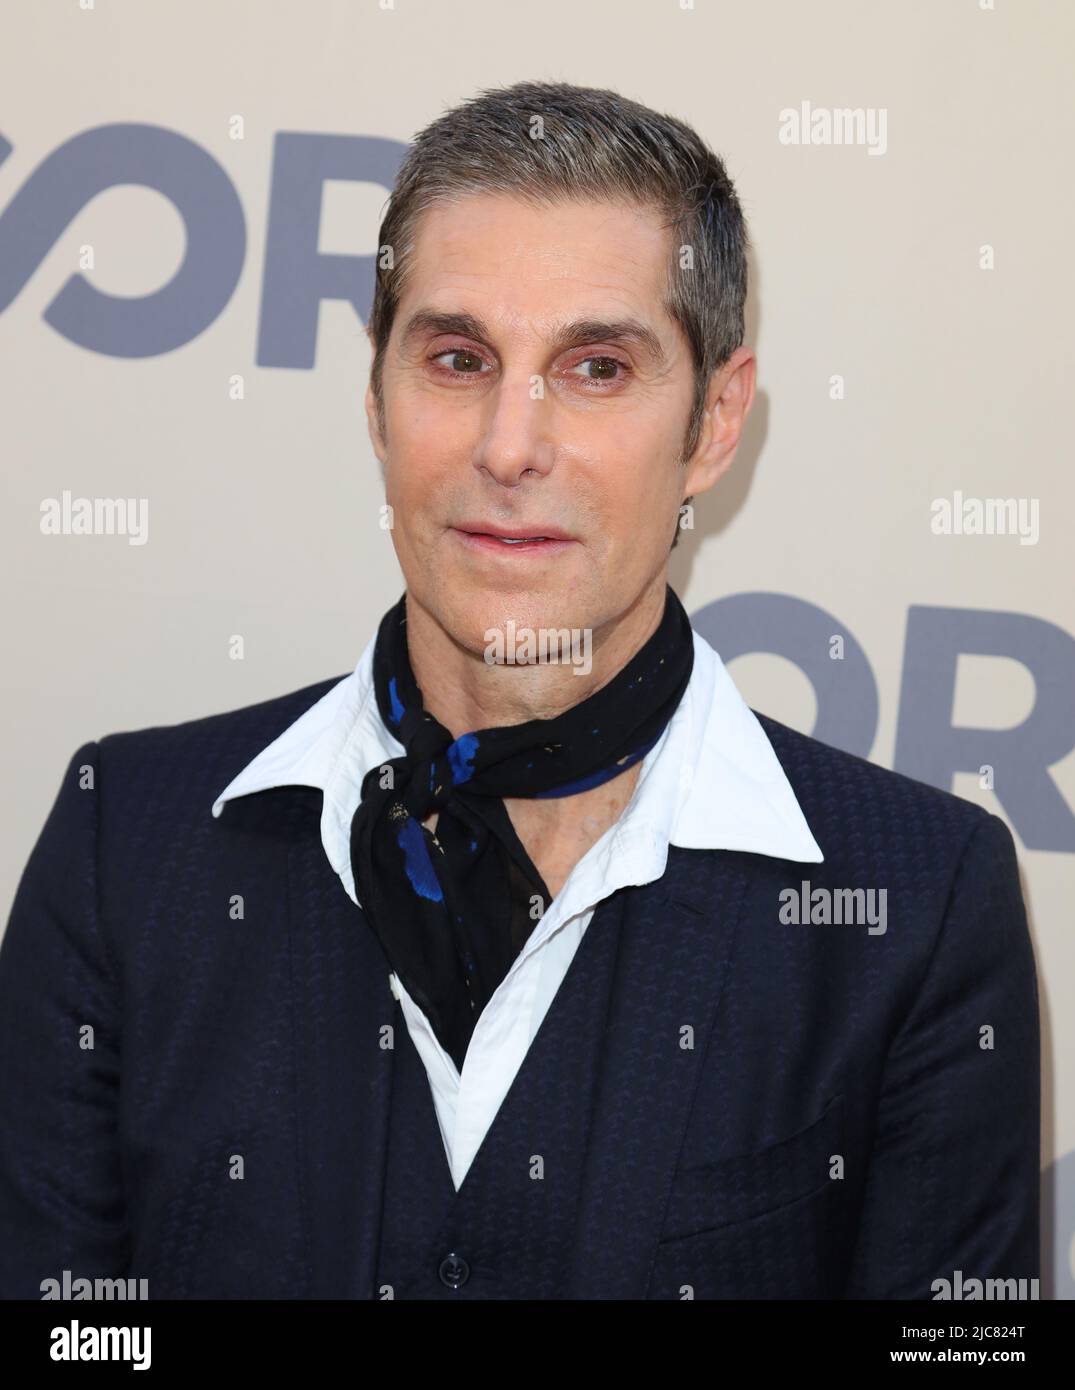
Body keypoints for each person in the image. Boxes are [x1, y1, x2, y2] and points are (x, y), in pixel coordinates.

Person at [0, 79, 1039, 1300]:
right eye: (456, 358)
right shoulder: (127, 839)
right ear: (377, 401)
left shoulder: (914, 902)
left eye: (595, 368)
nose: (508, 446)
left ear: (712, 422)